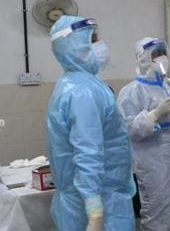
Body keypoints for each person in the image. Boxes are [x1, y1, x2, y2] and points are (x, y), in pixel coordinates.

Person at [46, 15, 135, 231]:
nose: (101, 45)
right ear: (74, 47)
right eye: (93, 40)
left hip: (98, 194)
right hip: (99, 201)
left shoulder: (78, 83)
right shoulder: (82, 92)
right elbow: (88, 152)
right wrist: (94, 211)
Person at [117, 37, 170, 231]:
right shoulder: (132, 92)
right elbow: (129, 130)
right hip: (158, 169)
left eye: (163, 53)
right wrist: (154, 114)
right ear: (143, 58)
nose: (161, 58)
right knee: (160, 217)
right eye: (155, 54)